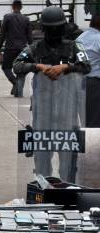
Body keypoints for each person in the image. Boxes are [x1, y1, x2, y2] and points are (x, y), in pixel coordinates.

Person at [13, 6, 91, 182]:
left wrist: (66, 67)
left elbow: (86, 66)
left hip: (67, 112)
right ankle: (43, 195)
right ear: (44, 29)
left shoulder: (74, 47)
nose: (54, 31)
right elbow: (16, 65)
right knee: (42, 163)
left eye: (57, 28)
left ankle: (68, 193)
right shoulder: (35, 48)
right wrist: (37, 66)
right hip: (43, 115)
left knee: (68, 164)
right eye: (51, 28)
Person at [0, 0, 32, 96]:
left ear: (13, 7)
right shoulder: (26, 19)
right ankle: (18, 89)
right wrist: (32, 48)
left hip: (10, 48)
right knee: (21, 69)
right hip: (22, 48)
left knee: (6, 67)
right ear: (21, 7)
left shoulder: (7, 17)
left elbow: (2, 34)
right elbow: (29, 36)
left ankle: (15, 83)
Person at [77, 13, 100, 126]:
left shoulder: (80, 37)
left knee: (86, 120)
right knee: (95, 124)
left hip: (79, 83)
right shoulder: (99, 38)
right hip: (95, 85)